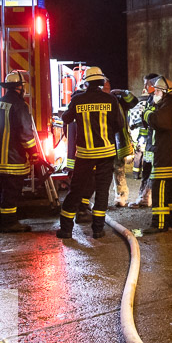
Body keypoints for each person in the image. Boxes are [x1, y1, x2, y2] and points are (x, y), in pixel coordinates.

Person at [56, 66, 131, 240]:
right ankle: (98, 230)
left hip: (85, 154)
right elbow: (119, 124)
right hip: (106, 153)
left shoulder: (78, 100)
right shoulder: (111, 100)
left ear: (86, 83)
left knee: (76, 190)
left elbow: (66, 118)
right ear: (101, 82)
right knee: (102, 191)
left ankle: (66, 229)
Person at [0, 70, 40, 234]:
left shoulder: (0, 102)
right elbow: (25, 133)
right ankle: (9, 223)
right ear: (19, 87)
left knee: (1, 190)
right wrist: (33, 152)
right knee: (11, 192)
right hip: (14, 158)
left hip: (0, 158)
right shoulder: (20, 105)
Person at [144, 75, 172, 231]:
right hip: (168, 154)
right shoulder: (168, 103)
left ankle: (159, 224)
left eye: (157, 91)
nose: (154, 93)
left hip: (167, 155)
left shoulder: (169, 104)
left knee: (160, 186)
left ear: (165, 92)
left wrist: (147, 113)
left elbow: (161, 122)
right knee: (170, 188)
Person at [104, 76, 139, 207]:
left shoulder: (117, 99)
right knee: (103, 172)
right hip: (103, 141)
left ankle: (121, 196)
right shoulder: (97, 100)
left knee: (118, 169)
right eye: (104, 87)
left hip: (117, 141)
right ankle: (102, 198)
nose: (106, 90)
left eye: (108, 87)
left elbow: (133, 101)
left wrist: (122, 92)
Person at [128, 72, 161, 208]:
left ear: (153, 84)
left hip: (154, 142)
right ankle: (144, 197)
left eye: (146, 84)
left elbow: (152, 119)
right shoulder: (151, 99)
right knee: (147, 169)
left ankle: (145, 198)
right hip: (149, 142)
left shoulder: (157, 100)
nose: (145, 87)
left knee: (151, 171)